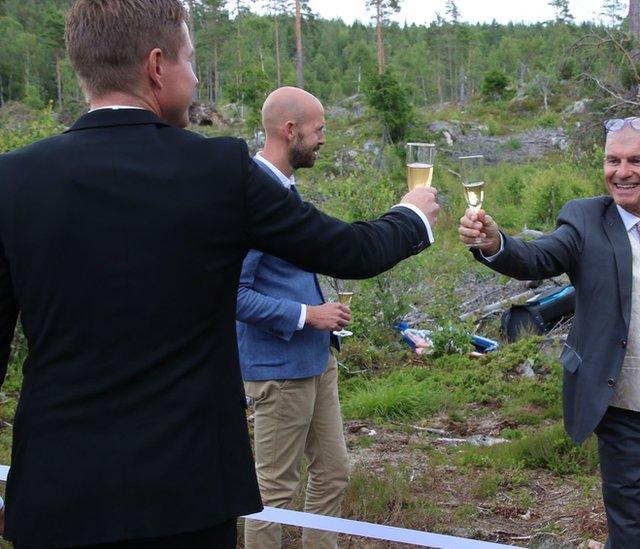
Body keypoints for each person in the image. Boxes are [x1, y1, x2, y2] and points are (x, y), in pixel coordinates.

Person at [0, 1, 438, 546]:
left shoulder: (11, 180)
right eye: (191, 60)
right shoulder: (220, 170)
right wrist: (414, 213)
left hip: (56, 492)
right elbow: (349, 251)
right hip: (186, 491)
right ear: (157, 66)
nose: (198, 76)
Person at [459, 117, 640, 548]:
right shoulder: (584, 220)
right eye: (612, 160)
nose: (622, 171)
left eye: (636, 160)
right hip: (625, 416)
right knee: (631, 540)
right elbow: (537, 257)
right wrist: (493, 244)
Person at [237, 87, 354, 549]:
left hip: (316, 362)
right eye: (319, 129)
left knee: (333, 472)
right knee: (274, 493)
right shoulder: (251, 195)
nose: (323, 138)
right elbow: (234, 295)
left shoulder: (282, 188)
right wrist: (309, 314)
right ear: (291, 131)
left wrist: (322, 319)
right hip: (280, 373)